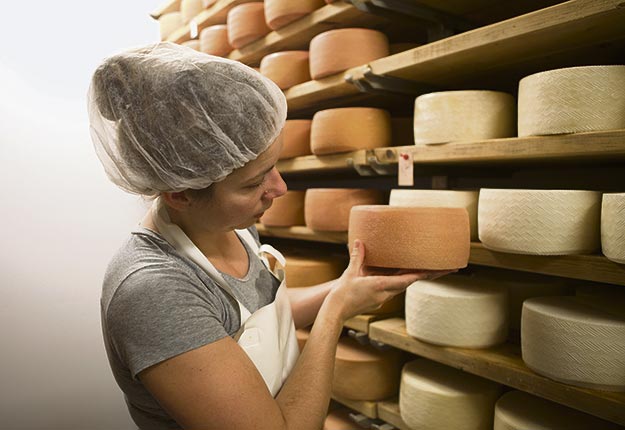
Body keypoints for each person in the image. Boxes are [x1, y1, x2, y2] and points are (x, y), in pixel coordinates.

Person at [89, 42, 451, 430]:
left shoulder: (231, 224)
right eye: (252, 184)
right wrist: (335, 314)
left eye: (274, 166)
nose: (279, 189)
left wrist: (346, 287)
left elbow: (255, 321)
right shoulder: (154, 292)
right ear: (181, 193)